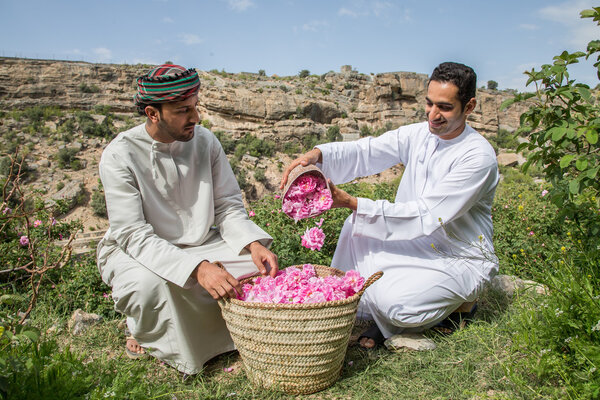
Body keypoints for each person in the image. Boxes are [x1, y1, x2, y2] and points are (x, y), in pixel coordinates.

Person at [280, 62, 499, 348]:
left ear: (469, 106)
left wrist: (350, 201)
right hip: (413, 241)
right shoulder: (420, 134)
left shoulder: (477, 157)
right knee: (357, 229)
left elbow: (426, 214)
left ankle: (459, 307)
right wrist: (317, 155)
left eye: (444, 107)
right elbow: (368, 151)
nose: (433, 115)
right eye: (429, 103)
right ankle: (381, 312)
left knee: (397, 304)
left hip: (457, 255)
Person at [97, 64, 278, 375]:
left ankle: (234, 337)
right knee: (151, 284)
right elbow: (132, 234)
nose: (195, 118)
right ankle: (151, 337)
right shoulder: (119, 155)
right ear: (153, 114)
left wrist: (252, 243)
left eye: (195, 107)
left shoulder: (206, 142)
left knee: (259, 268)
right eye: (183, 111)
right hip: (137, 252)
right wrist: (197, 268)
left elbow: (227, 206)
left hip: (202, 243)